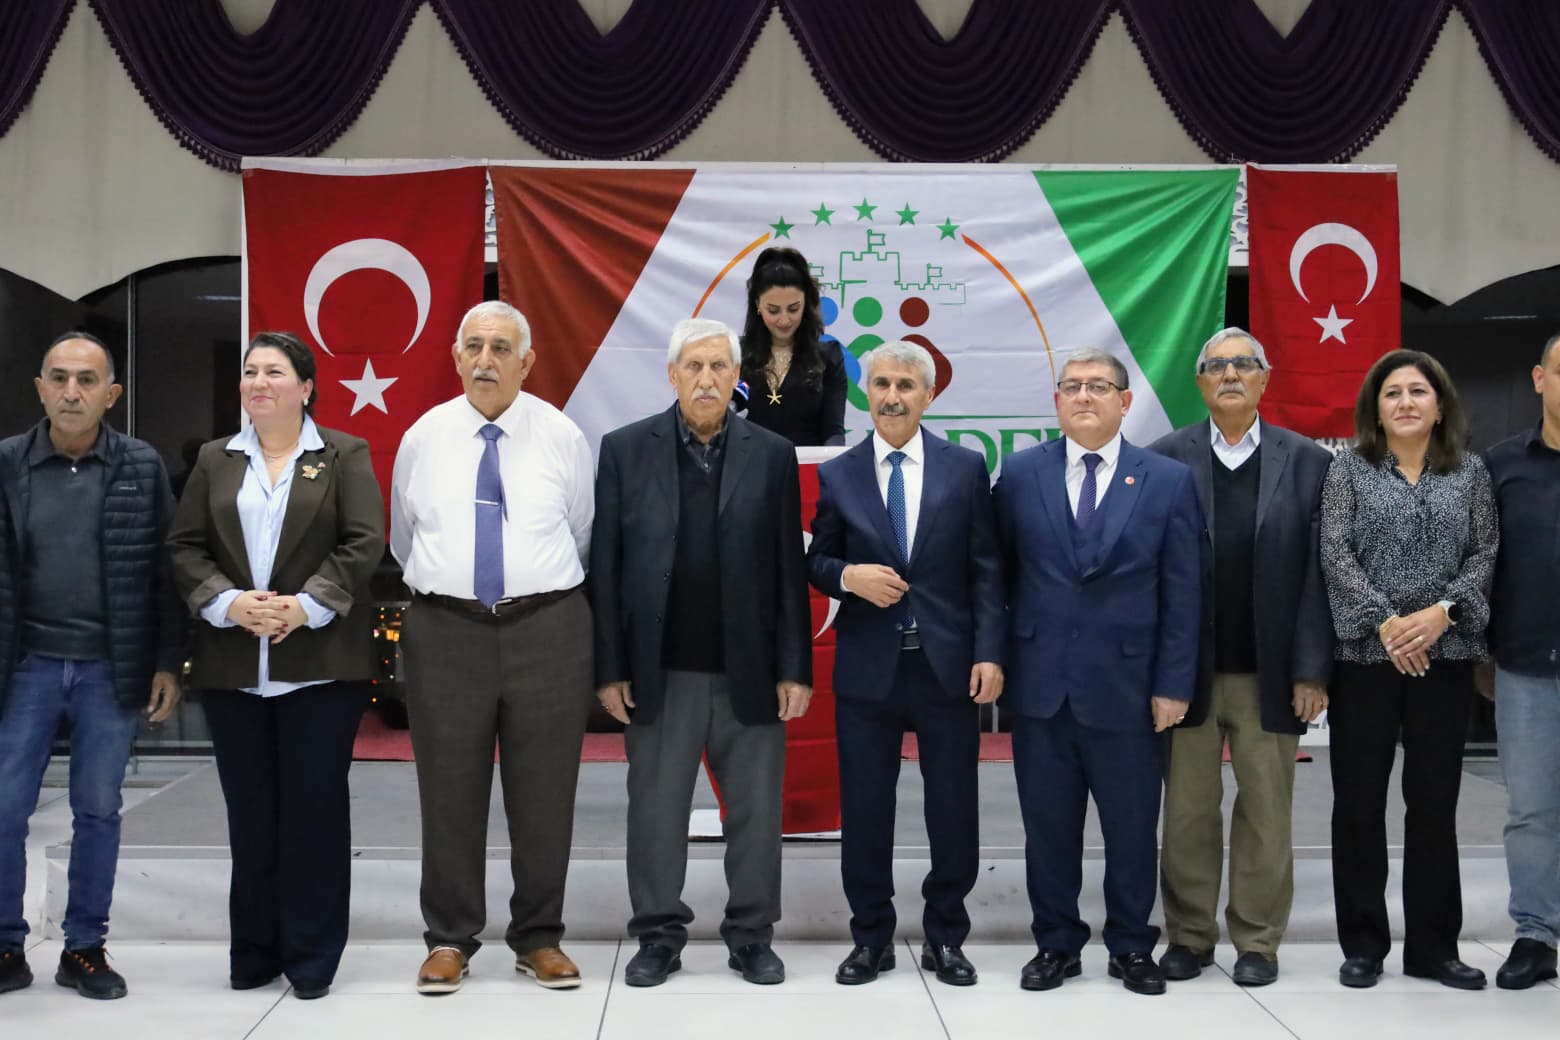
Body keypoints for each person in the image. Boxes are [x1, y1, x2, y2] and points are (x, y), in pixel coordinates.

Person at [591, 317, 812, 988]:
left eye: (719, 367)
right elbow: (606, 567)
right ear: (672, 375)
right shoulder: (625, 450)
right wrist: (610, 668)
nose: (707, 379)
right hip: (660, 671)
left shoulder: (771, 454)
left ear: (737, 376)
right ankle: (658, 936)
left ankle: (752, 936)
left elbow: (788, 569)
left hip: (750, 670)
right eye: (694, 367)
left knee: (757, 814)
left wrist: (794, 667)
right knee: (656, 814)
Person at [167, 331, 385, 1000]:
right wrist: (227, 603)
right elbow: (184, 546)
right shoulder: (215, 458)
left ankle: (312, 955)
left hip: (319, 668)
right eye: (250, 371)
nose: (258, 382)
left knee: (314, 817)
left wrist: (305, 607)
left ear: (306, 387)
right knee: (250, 816)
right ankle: (255, 951)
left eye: (274, 371)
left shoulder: (343, 453)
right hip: (234, 667)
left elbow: (363, 541)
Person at [391, 301, 595, 994]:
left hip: (547, 628)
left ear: (527, 361)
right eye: (474, 346)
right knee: (448, 790)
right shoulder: (423, 437)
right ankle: (450, 938)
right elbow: (404, 538)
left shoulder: (562, 436)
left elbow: (581, 532)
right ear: (456, 357)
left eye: (502, 347)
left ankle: (539, 937)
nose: (486, 359)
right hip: (446, 631)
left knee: (545, 792)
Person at [994, 347, 1201, 996]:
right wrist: (995, 660)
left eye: (1099, 386)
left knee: (1132, 829)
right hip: (1041, 688)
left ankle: (1132, 946)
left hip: (1131, 691)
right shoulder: (1020, 473)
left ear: (1124, 401)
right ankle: (1056, 944)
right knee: (1048, 830)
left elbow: (1184, 592)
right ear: (1057, 400)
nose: (1084, 396)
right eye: (1072, 386)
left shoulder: (1167, 481)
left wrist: (1173, 683)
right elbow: (995, 576)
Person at [805, 341, 1003, 987]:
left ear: (929, 395)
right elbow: (816, 561)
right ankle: (871, 938)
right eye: (882, 384)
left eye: (906, 385)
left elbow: (986, 569)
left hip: (947, 668)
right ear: (866, 393)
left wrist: (989, 652)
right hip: (869, 669)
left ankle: (946, 935)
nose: (892, 396)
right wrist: (849, 577)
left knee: (953, 809)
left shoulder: (964, 468)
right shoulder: (840, 473)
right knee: (866, 810)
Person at [0, 331, 184, 1000]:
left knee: (99, 809)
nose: (71, 392)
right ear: (40, 388)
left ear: (111, 394)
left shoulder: (140, 465)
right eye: (59, 378)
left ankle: (83, 948)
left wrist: (167, 660)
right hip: (26, 666)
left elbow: (167, 570)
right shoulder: (7, 464)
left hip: (110, 667)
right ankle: (5, 945)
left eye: (86, 380)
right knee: (5, 808)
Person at [1148, 328, 1333, 987]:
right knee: (1187, 812)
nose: (1230, 374)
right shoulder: (1164, 458)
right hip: (1187, 672)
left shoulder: (1309, 462)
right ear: (1200, 382)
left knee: (1266, 812)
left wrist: (1311, 668)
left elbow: (1321, 573)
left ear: (1264, 378)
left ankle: (1257, 941)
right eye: (1217, 366)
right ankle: (1189, 936)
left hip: (1272, 674)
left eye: (1244, 364)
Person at [1320, 348, 1497, 991]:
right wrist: (1387, 625)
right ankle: (1363, 945)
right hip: (1366, 660)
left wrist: (1442, 615)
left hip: (1443, 661)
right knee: (1359, 805)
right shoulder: (1348, 469)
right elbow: (1334, 552)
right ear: (1376, 409)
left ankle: (1433, 948)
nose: (1405, 402)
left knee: (1433, 804)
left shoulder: (1470, 472)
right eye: (1392, 393)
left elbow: (1484, 554)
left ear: (1440, 405)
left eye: (1417, 391)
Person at [1482, 331, 1560, 990]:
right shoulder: (1500, 466)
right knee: (1531, 810)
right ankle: (1536, 935)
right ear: (1539, 379)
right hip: (1527, 668)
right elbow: (1481, 566)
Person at [738, 246, 847, 446]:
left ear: (806, 303)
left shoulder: (829, 357)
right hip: (748, 462)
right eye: (773, 310)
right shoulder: (735, 355)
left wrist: (829, 457)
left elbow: (834, 432)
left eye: (793, 309)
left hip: (807, 463)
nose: (784, 320)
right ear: (757, 304)